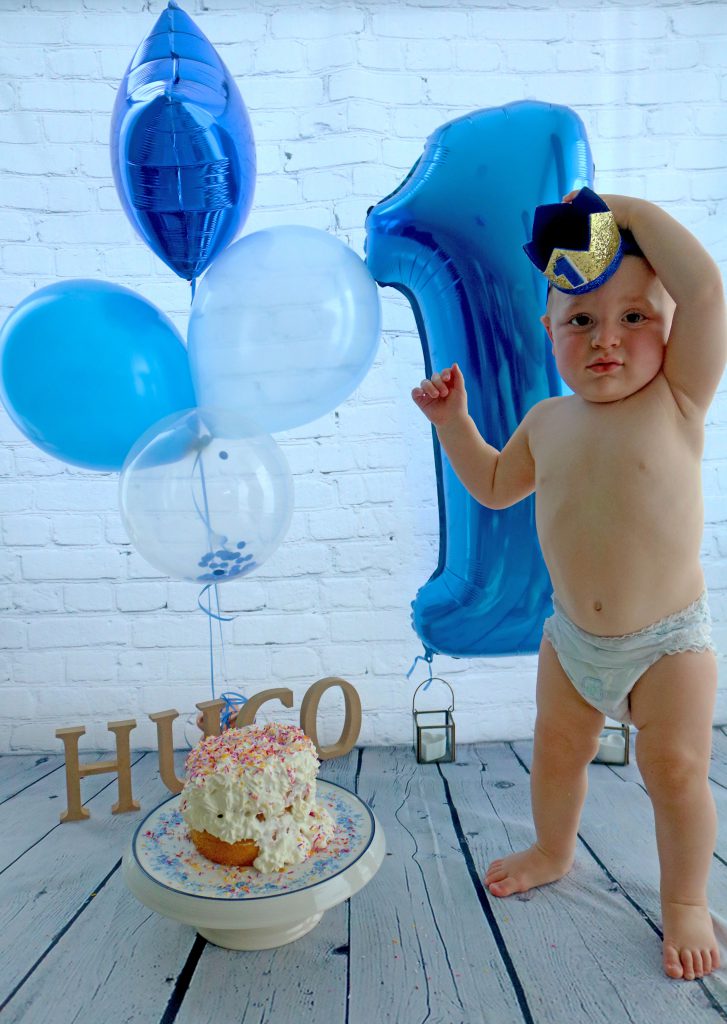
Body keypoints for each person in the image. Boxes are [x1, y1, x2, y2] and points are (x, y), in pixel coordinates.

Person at [411, 187, 727, 981]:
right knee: (555, 751)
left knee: (678, 771)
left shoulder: (677, 400)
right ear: (546, 331)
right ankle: (554, 850)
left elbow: (705, 290)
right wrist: (454, 424)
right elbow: (490, 486)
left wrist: (620, 209)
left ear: (667, 328)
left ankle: (685, 900)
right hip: (572, 641)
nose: (606, 340)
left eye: (634, 317)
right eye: (579, 320)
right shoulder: (545, 423)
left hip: (667, 642)